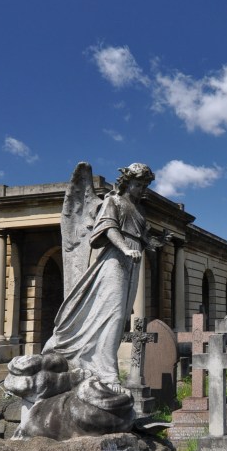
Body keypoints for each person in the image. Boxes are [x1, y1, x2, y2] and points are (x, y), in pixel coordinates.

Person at [43, 163, 155, 392]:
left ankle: (97, 365)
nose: (140, 189)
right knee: (112, 313)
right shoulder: (113, 201)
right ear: (126, 182)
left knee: (122, 314)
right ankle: (107, 373)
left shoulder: (139, 210)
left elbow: (141, 237)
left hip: (133, 260)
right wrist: (124, 248)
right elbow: (108, 228)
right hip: (115, 260)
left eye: (144, 185)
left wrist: (151, 244)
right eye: (137, 184)